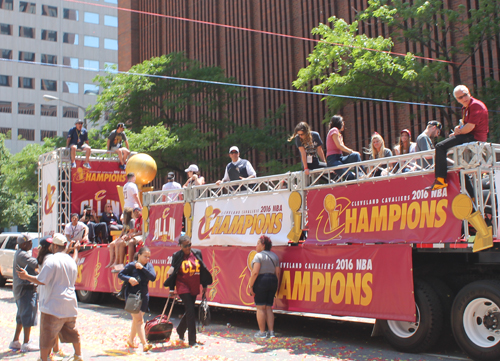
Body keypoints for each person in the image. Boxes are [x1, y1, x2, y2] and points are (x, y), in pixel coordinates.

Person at [17, 233, 83, 361]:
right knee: (73, 332)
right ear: (65, 246)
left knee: (47, 335)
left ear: (53, 246)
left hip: (53, 304)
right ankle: (78, 355)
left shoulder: (51, 260)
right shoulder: (71, 260)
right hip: (70, 304)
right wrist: (75, 250)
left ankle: (43, 358)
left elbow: (42, 280)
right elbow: (74, 259)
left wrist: (26, 276)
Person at [427, 85, 489, 190]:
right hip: (469, 136)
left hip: (474, 137)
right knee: (460, 167)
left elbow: (469, 127)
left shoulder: (475, 105)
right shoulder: (466, 108)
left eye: (465, 95)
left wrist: (458, 132)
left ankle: (440, 179)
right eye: (460, 97)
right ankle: (472, 195)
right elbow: (464, 125)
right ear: (457, 99)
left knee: (440, 146)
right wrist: (458, 130)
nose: (464, 98)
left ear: (469, 93)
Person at [163, 236, 213, 346]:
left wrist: (204, 285)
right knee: (190, 310)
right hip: (182, 285)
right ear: (180, 246)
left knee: (190, 311)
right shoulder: (177, 256)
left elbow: (202, 269)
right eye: (185, 246)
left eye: (189, 244)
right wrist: (172, 289)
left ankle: (180, 329)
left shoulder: (197, 253)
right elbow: (172, 272)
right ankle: (192, 341)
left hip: (194, 285)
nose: (188, 247)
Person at [118, 247, 156, 352]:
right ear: (139, 255)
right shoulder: (131, 265)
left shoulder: (148, 266)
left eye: (148, 257)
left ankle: (130, 340)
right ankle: (144, 344)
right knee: (139, 320)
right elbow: (120, 274)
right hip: (132, 295)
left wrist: (143, 268)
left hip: (144, 295)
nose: (147, 259)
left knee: (137, 319)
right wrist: (129, 279)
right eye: (145, 256)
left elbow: (153, 277)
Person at [37, 237, 67, 359]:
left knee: (50, 327)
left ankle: (53, 350)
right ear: (49, 247)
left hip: (46, 295)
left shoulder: (42, 258)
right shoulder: (50, 259)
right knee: (50, 329)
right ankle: (48, 354)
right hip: (50, 296)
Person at [10, 235, 39, 352]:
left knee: (21, 317)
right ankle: (26, 343)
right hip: (25, 289)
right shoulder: (22, 255)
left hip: (20, 289)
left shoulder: (20, 253)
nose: (32, 245)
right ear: (24, 244)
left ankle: (16, 341)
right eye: (30, 242)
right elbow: (36, 264)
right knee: (28, 316)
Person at [248, 235, 280, 339]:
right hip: (273, 281)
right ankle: (271, 332)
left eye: (258, 243)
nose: (256, 246)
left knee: (260, 308)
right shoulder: (275, 256)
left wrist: (250, 285)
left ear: (263, 245)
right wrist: (277, 286)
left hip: (262, 281)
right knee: (269, 308)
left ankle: (262, 332)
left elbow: (255, 272)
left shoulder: (258, 256)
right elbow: (278, 273)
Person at [325, 115, 362, 180]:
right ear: (339, 122)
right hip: (333, 160)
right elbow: (339, 146)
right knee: (349, 176)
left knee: (355, 156)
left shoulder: (339, 134)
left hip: (340, 158)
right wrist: (351, 151)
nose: (343, 123)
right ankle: (355, 177)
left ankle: (360, 175)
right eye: (342, 122)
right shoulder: (334, 130)